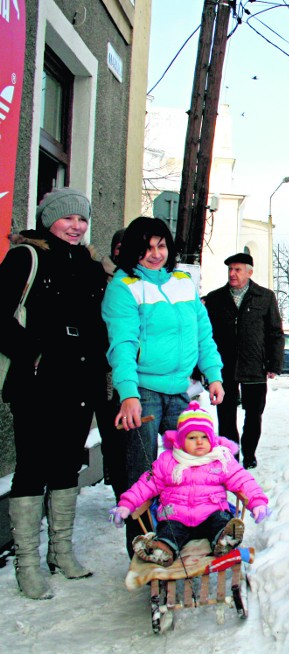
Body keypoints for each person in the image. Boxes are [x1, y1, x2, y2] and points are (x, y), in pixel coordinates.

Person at [0, 187, 109, 599]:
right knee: (32, 466)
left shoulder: (89, 264)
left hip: (79, 380)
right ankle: (27, 563)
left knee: (66, 465)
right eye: (68, 219)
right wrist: (33, 352)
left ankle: (60, 551)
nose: (76, 227)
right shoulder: (26, 257)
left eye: (81, 220)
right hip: (37, 380)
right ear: (49, 220)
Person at [101, 216, 225, 555]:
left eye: (161, 246)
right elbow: (122, 345)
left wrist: (213, 374)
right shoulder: (124, 286)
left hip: (180, 391)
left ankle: (186, 538)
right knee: (142, 476)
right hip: (142, 391)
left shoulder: (183, 281)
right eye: (146, 249)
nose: (155, 254)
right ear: (132, 252)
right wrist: (128, 394)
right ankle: (143, 549)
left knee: (194, 464)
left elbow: (203, 334)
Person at [109, 401, 270, 566]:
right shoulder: (168, 461)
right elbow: (145, 485)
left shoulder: (220, 460)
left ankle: (225, 540)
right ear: (180, 441)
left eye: (204, 437)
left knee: (221, 520)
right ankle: (162, 549)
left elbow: (242, 480)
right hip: (176, 516)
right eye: (192, 437)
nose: (199, 442)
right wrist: (126, 505)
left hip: (211, 513)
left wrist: (257, 502)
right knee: (168, 531)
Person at [203, 253, 284, 470]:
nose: (232, 274)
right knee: (226, 415)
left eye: (237, 269)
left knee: (254, 414)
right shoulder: (215, 298)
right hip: (224, 367)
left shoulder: (264, 297)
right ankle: (231, 457)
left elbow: (275, 332)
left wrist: (274, 363)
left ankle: (249, 453)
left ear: (249, 272)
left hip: (255, 366)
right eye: (230, 269)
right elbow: (204, 334)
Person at [96, 227, 128, 503]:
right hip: (100, 367)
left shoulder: (138, 279)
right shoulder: (96, 274)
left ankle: (128, 491)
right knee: (111, 432)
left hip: (129, 370)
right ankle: (119, 485)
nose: (120, 251)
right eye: (118, 246)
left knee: (128, 434)